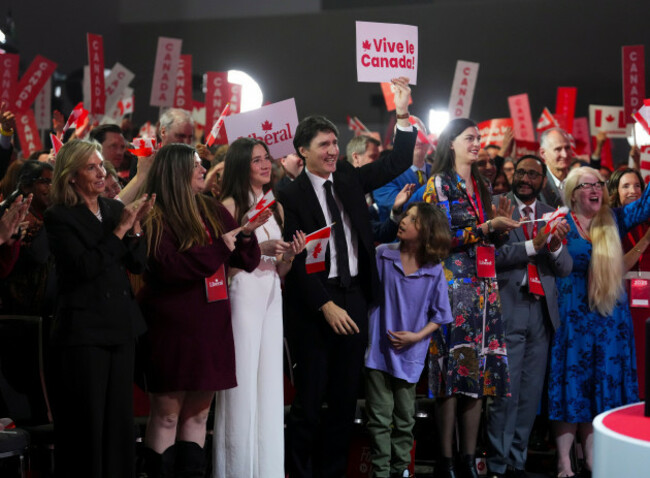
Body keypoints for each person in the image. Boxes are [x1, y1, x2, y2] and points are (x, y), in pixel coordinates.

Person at [277, 76, 418, 478]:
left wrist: (403, 113)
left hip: (355, 296)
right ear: (302, 151)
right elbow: (295, 261)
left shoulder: (349, 178)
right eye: (324, 145)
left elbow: (397, 162)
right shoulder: (289, 196)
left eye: (335, 144)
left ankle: (334, 472)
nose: (333, 151)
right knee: (309, 402)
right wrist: (325, 305)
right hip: (313, 305)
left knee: (343, 401)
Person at [137, 143, 266, 478]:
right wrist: (220, 247)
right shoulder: (153, 213)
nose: (202, 169)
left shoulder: (210, 208)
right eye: (195, 164)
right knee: (166, 414)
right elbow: (167, 268)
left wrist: (247, 236)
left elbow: (244, 261)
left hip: (212, 324)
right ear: (175, 171)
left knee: (198, 415)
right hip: (172, 326)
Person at [44, 139, 154, 478]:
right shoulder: (59, 216)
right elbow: (84, 267)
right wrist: (120, 231)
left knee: (119, 420)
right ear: (72, 175)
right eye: (91, 167)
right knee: (87, 421)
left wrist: (135, 231)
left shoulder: (112, 209)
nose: (100, 173)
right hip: (84, 332)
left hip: (121, 327)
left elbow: (137, 266)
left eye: (101, 166)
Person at [422, 118, 519, 478]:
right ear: (451, 143)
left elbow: (488, 239)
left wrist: (500, 230)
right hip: (452, 287)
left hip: (484, 286)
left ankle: (468, 458)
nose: (478, 143)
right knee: (451, 373)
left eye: (479, 138)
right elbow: (439, 238)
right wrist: (484, 229)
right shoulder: (438, 184)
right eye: (470, 138)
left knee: (477, 375)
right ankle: (445, 460)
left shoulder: (481, 183)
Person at [548, 166, 650, 477]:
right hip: (573, 321)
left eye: (599, 184)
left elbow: (646, 205)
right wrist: (551, 239)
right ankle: (564, 460)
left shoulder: (615, 219)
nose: (595, 189)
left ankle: (594, 459)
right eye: (587, 185)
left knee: (601, 388)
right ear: (572, 192)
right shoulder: (559, 222)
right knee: (572, 388)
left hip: (610, 322)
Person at [213, 137, 305, 478]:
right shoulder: (229, 205)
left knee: (269, 385)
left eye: (267, 158)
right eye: (256, 160)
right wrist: (258, 247)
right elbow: (225, 262)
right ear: (241, 165)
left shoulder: (275, 206)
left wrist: (290, 256)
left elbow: (280, 269)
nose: (266, 164)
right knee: (241, 386)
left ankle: (267, 470)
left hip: (271, 292)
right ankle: (236, 469)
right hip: (243, 292)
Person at [486, 155, 572, 478]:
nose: (524, 178)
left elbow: (565, 268)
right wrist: (533, 246)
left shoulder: (552, 215)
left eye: (532, 174)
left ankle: (516, 461)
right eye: (520, 172)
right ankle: (496, 464)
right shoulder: (496, 206)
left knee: (530, 392)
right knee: (503, 393)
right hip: (507, 307)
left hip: (540, 314)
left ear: (541, 181)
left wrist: (553, 244)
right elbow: (490, 257)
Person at [364, 202, 453, 478]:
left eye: (413, 219)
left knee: (404, 419)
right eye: (406, 215)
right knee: (379, 418)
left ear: (426, 231)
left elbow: (440, 315)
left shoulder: (433, 269)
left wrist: (416, 336)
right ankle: (379, 471)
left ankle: (400, 469)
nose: (404, 220)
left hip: (410, 356)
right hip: (378, 352)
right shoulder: (382, 255)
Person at [1, 160, 56, 316]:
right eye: (45, 182)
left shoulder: (46, 215)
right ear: (26, 186)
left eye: (54, 182)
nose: (52, 188)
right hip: (16, 312)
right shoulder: (10, 215)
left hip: (44, 311)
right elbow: (39, 255)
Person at [373, 116, 430, 221]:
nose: (417, 139)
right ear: (396, 141)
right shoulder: (383, 175)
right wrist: (434, 183)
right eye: (410, 134)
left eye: (421, 134)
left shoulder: (439, 171)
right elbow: (400, 209)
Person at [539, 128, 573, 208]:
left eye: (567, 148)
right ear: (543, 153)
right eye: (558, 149)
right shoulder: (538, 186)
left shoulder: (580, 181)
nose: (565, 154)